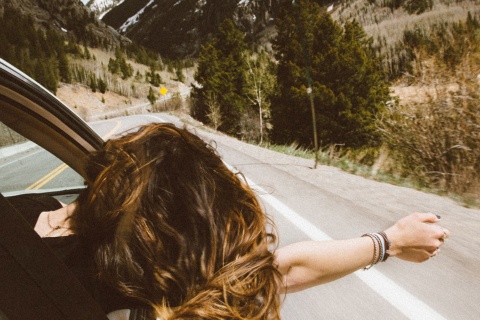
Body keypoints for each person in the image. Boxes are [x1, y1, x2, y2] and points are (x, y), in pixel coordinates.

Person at [9, 123, 450, 319]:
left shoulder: (27, 213)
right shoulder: (120, 280)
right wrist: (387, 242)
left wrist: (389, 241)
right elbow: (277, 272)